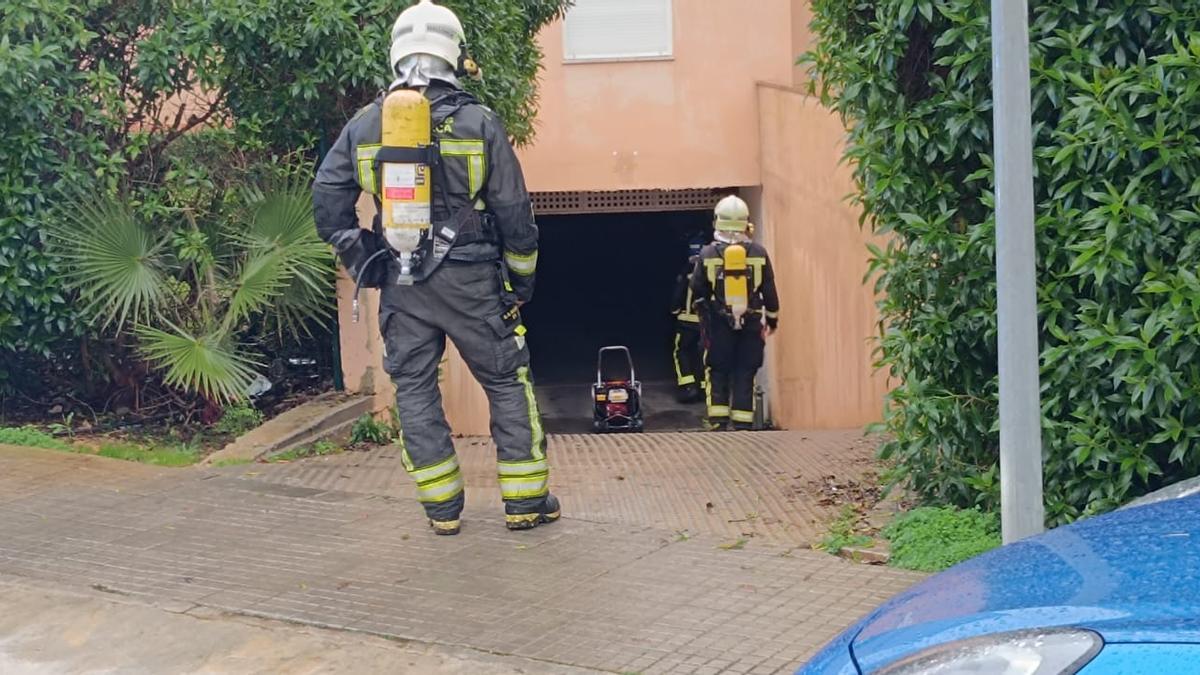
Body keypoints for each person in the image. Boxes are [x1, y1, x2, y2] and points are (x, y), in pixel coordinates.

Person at [311, 0, 558, 535]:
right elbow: (517, 216)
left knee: (416, 389)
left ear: (397, 53)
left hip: (402, 283)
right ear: (455, 53)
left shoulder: (366, 125)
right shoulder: (479, 122)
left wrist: (367, 260)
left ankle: (443, 511)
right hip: (472, 281)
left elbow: (328, 200)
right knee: (506, 382)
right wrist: (521, 283)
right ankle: (525, 502)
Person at [690, 196, 780, 431]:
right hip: (751, 323)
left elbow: (697, 288)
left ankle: (718, 423)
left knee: (717, 372)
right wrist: (772, 319)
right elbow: (769, 291)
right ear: (745, 223)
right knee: (745, 373)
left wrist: (704, 312)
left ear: (717, 222)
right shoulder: (759, 253)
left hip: (718, 324)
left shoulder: (708, 253)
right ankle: (742, 425)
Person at [670, 234, 707, 403]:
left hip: (685, 322)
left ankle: (688, 385)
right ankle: (704, 387)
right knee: (703, 354)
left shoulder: (686, 271)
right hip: (705, 323)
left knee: (681, 351)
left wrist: (674, 310)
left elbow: (678, 294)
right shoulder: (709, 269)